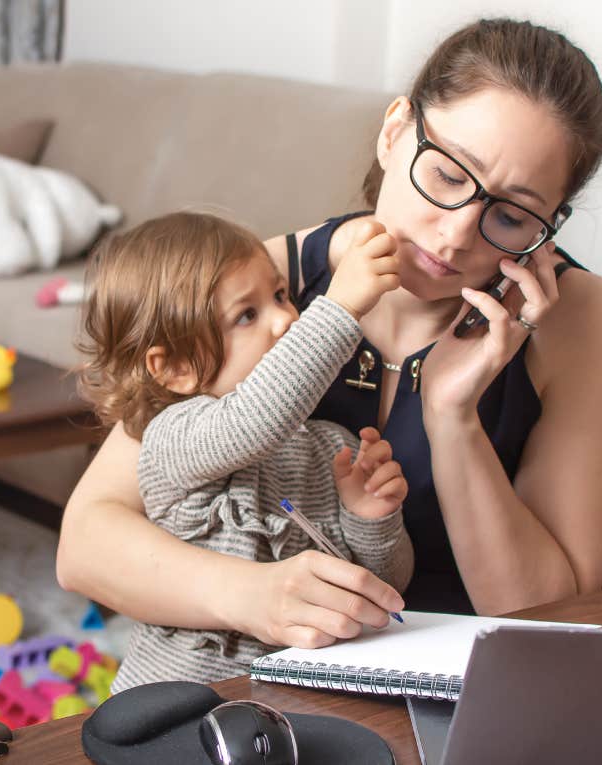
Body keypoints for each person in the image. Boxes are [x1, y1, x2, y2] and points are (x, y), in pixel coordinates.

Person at [58, 18, 602, 649]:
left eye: (510, 214)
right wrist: (251, 595)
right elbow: (86, 543)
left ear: (549, 224)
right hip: (270, 667)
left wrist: (453, 417)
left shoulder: (584, 325)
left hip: (467, 682)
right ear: (394, 132)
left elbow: (551, 622)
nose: (455, 235)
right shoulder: (265, 286)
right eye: (448, 176)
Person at [77, 212, 414, 690]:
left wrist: (372, 518)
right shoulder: (171, 437)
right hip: (175, 706)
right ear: (174, 368)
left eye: (280, 295)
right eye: (247, 315)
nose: (286, 319)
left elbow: (387, 586)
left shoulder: (332, 447)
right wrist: (340, 307)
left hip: (293, 700)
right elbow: (253, 420)